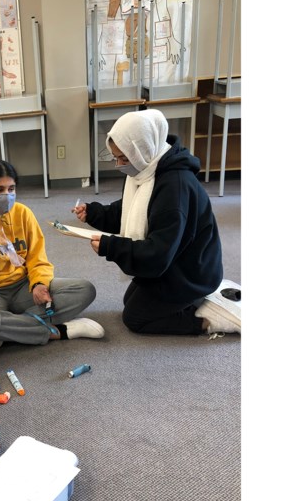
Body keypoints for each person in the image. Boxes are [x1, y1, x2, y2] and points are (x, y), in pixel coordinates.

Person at [73, 109, 239, 336]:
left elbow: (158, 252)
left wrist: (111, 246)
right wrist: (94, 213)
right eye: (116, 157)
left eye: (123, 158)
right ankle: (195, 302)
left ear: (143, 150)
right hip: (176, 261)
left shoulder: (174, 186)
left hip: (192, 272)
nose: (118, 165)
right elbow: (129, 210)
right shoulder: (150, 169)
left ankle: (208, 320)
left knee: (135, 318)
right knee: (130, 299)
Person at [0, 160, 104, 361]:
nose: (6, 195)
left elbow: (37, 257)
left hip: (22, 286)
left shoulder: (23, 213)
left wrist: (39, 284)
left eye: (11, 189)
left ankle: (4, 331)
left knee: (85, 290)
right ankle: (59, 331)